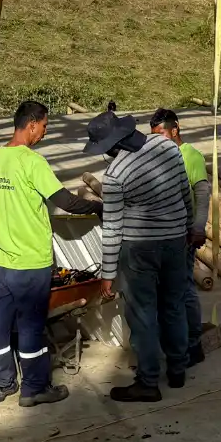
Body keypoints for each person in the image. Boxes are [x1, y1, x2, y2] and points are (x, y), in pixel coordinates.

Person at [0, 98, 100, 407]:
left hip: (3, 263)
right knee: (32, 327)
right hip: (31, 262)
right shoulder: (32, 162)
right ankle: (34, 389)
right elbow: (67, 202)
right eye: (45, 126)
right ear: (32, 124)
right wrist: (99, 207)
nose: (45, 133)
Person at [86, 105, 197, 401]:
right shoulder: (167, 146)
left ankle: (148, 382)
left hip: (139, 250)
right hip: (175, 242)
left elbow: (112, 228)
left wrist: (108, 273)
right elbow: (184, 191)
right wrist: (187, 227)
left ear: (113, 144)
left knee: (144, 313)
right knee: (173, 306)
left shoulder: (115, 174)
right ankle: (177, 369)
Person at [149, 108, 210, 364]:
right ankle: (177, 340)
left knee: (184, 288)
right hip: (166, 235)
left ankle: (193, 344)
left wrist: (197, 228)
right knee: (170, 291)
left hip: (185, 234)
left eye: (161, 133)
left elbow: (202, 194)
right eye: (153, 135)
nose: (157, 140)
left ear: (175, 130)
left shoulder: (191, 156)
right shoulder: (158, 156)